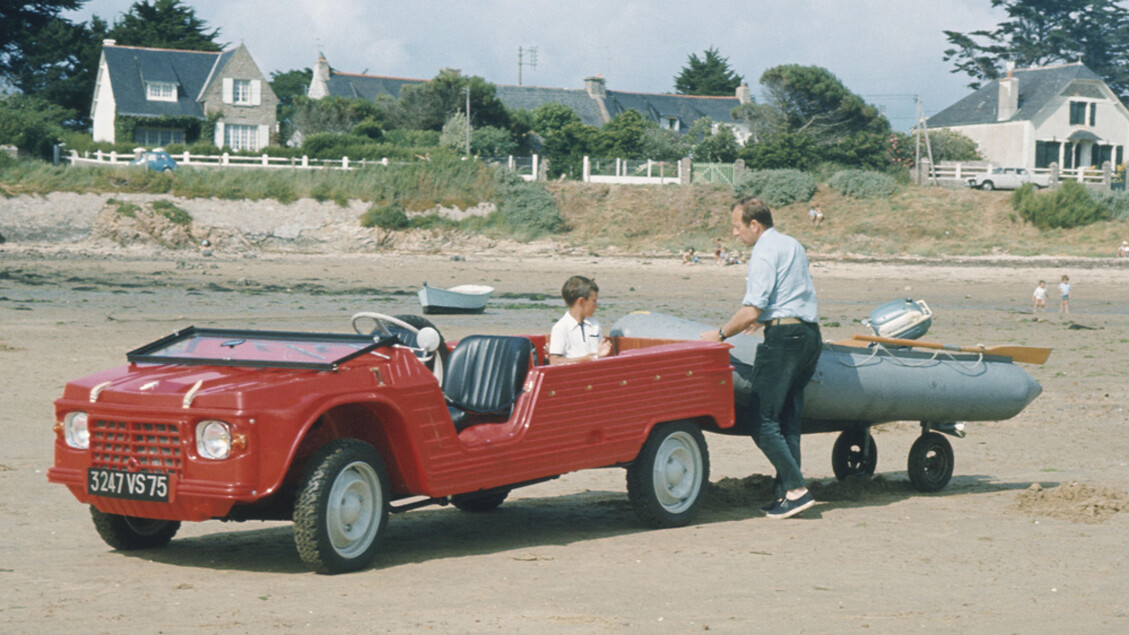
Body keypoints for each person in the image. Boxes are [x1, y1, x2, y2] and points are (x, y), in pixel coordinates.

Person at [700, 197, 822, 519]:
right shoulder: (792, 243)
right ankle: (785, 495)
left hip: (784, 340)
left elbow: (752, 308)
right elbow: (788, 294)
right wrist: (764, 317)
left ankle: (797, 488)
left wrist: (721, 334)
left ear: (755, 225)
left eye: (737, 227)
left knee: (762, 420)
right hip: (809, 336)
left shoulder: (764, 251)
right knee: (788, 419)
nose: (735, 234)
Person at [548, 275, 612, 365]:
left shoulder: (595, 325)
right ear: (581, 301)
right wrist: (585, 359)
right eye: (594, 301)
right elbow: (555, 361)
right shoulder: (561, 327)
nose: (596, 305)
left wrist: (600, 354)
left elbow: (595, 356)